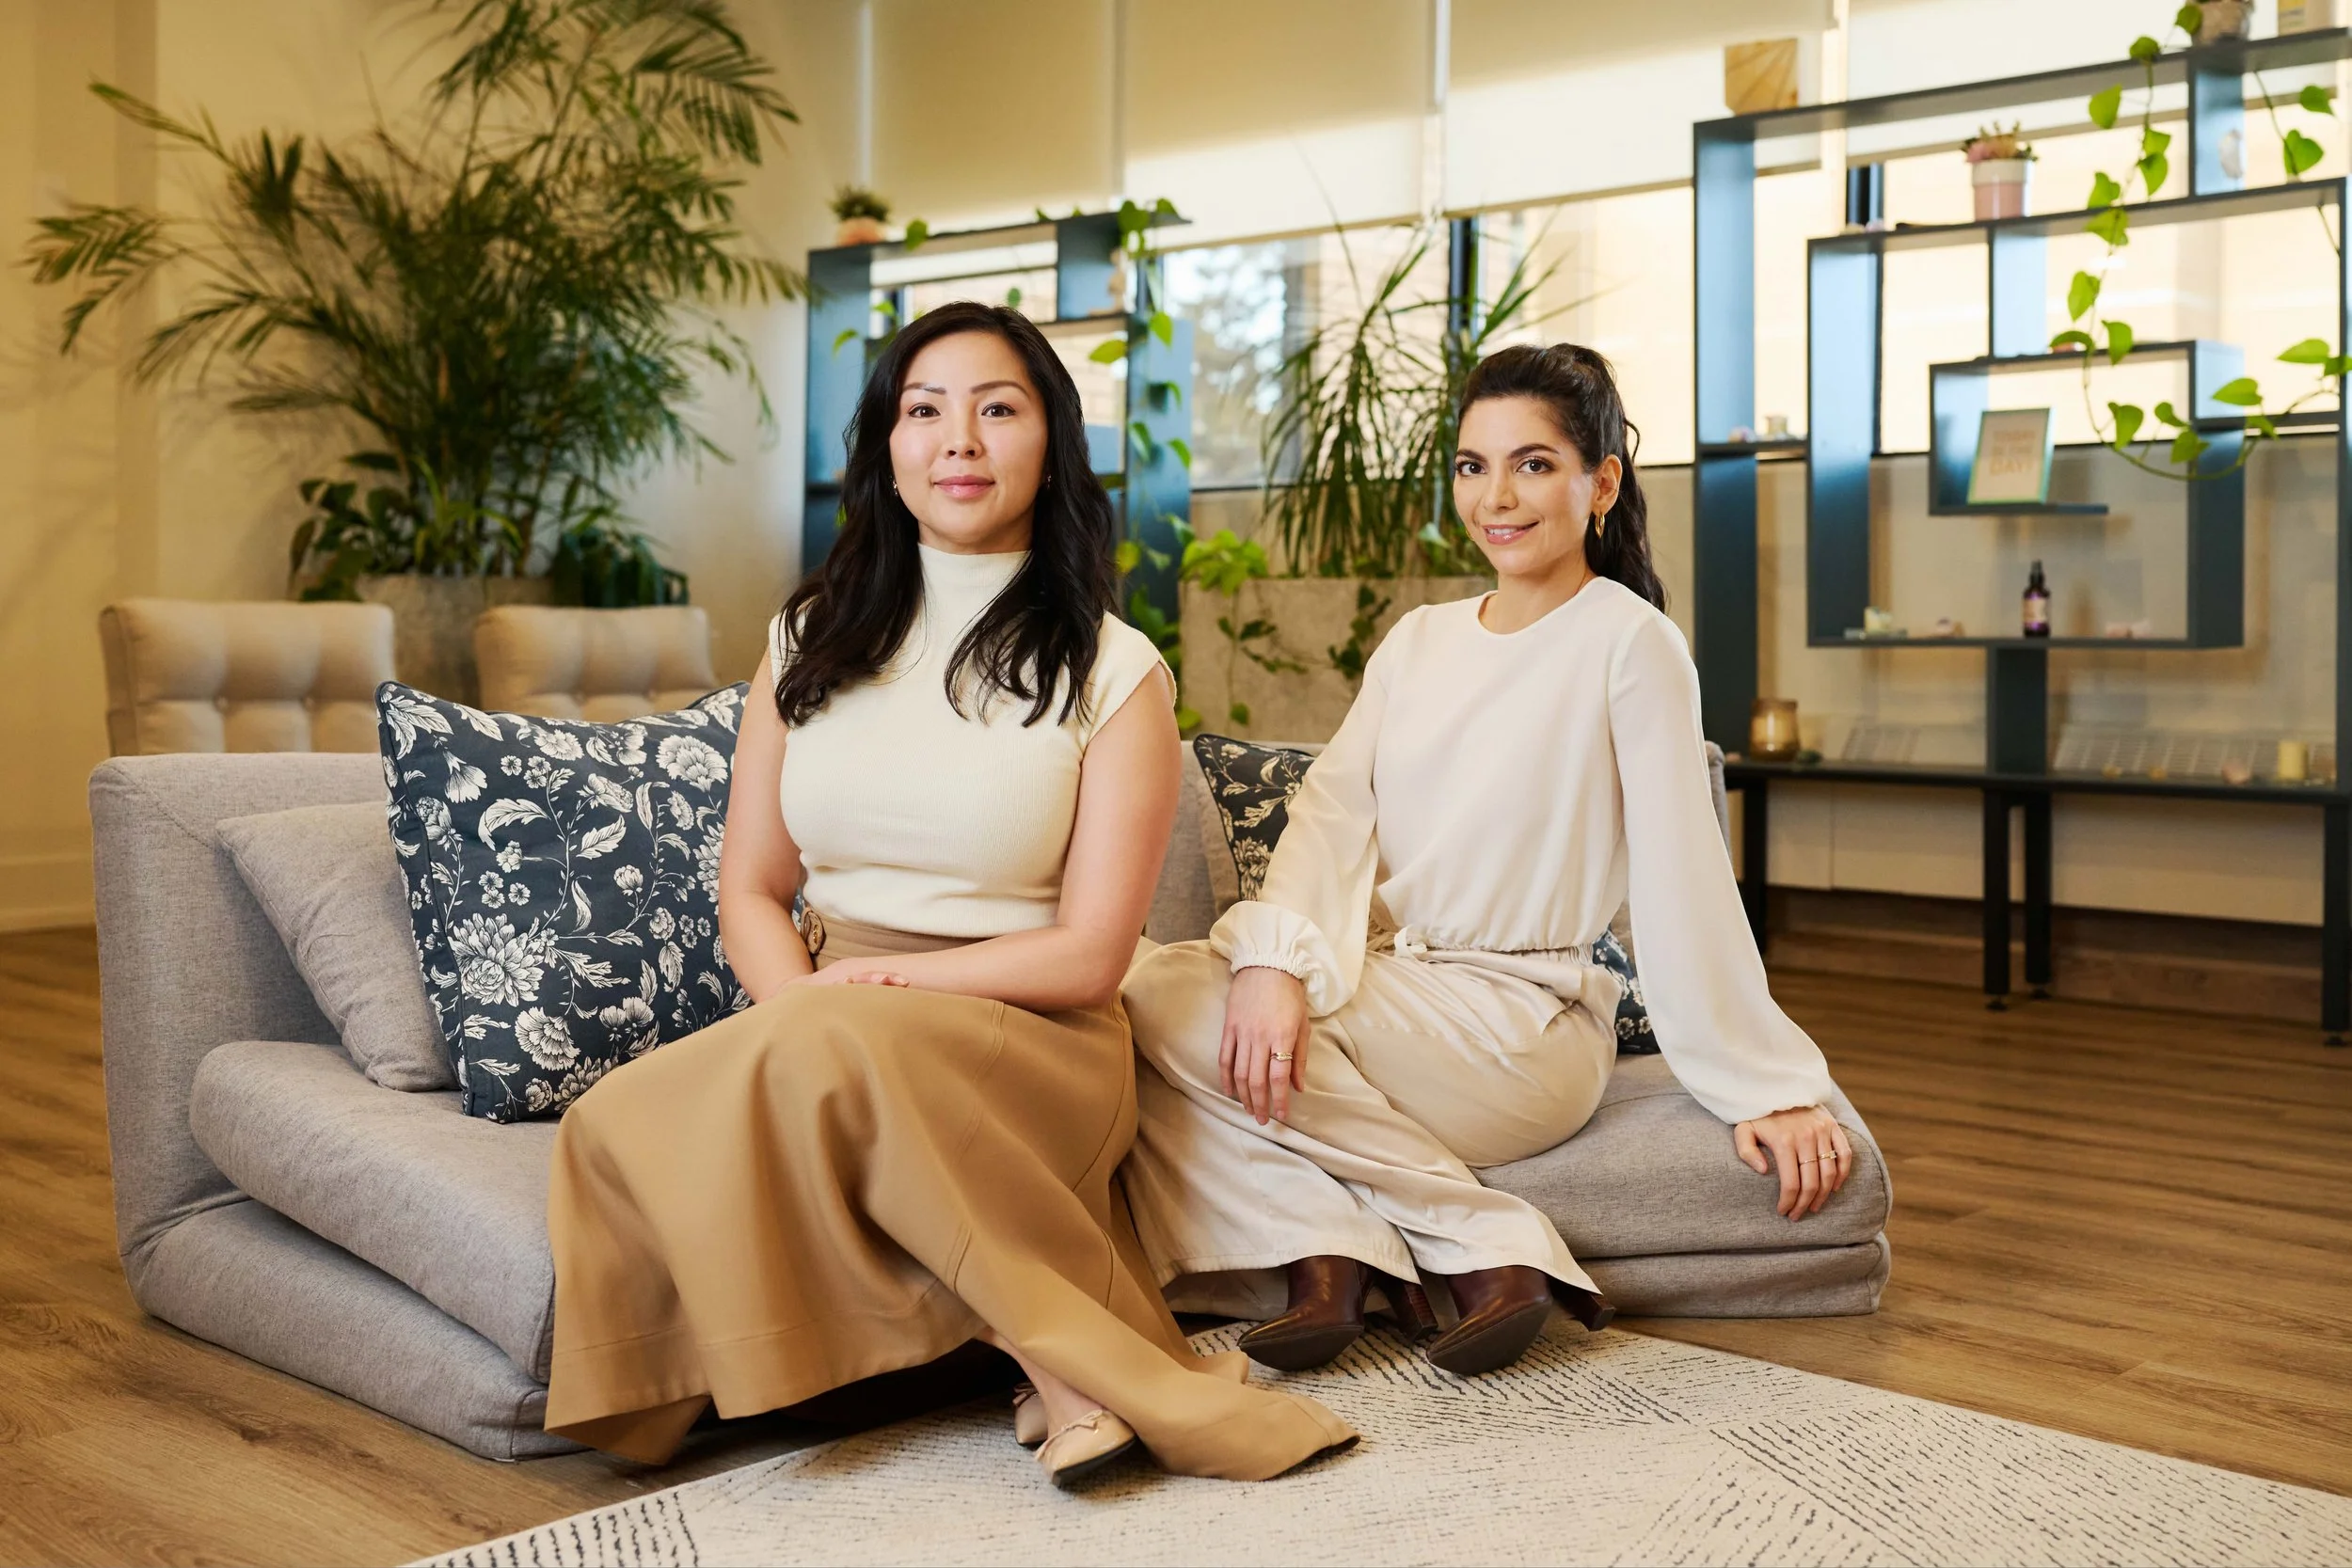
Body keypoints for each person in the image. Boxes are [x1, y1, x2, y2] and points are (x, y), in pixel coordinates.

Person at [540, 301, 1356, 1487]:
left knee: (838, 1049)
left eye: (997, 408)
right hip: (828, 1019)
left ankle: (1069, 1366)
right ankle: (1054, 1359)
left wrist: (872, 989)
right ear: (885, 446)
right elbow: (752, 888)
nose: (957, 439)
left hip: (1034, 1032)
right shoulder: (804, 637)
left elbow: (1089, 955)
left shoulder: (1115, 668)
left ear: (1050, 444)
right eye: (925, 411)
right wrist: (806, 1014)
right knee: (607, 1120)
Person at [1120, 342, 1855, 1379]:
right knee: (1157, 987)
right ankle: (1377, 1249)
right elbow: (1330, 814)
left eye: (1533, 464)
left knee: (1164, 998)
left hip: (1526, 1020)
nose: (1496, 496)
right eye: (1472, 466)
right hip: (1401, 989)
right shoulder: (1416, 640)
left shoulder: (1630, 642)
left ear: (1601, 481)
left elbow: (1682, 877)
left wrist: (1763, 1081)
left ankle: (1398, 1245)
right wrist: (1276, 962)